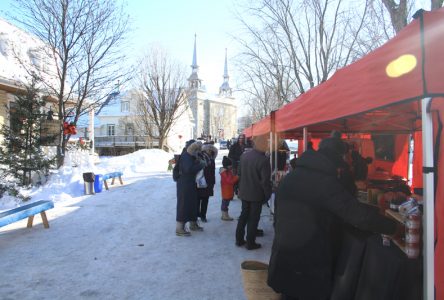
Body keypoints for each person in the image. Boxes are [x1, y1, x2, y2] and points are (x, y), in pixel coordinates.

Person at [267, 132, 400, 300]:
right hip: (307, 264)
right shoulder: (324, 183)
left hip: (284, 256)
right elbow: (357, 215)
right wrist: (393, 227)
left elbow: (277, 216)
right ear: (337, 158)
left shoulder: (291, 177)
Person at [235, 135, 272, 250]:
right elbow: (265, 181)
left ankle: (239, 240)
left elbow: (239, 174)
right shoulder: (263, 160)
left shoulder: (244, 156)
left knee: (244, 216)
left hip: (244, 192)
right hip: (256, 194)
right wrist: (268, 195)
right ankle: (250, 243)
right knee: (253, 218)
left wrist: (239, 188)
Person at [175, 140, 206, 236]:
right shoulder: (186, 156)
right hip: (184, 184)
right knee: (183, 205)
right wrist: (200, 164)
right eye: (196, 149)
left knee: (192, 204)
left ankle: (193, 224)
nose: (197, 151)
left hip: (190, 183)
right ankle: (179, 228)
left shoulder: (191, 155)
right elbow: (188, 169)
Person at [197, 143, 218, 222]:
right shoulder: (201, 157)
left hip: (209, 182)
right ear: (205, 150)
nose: (210, 151)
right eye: (209, 150)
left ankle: (203, 215)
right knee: (198, 199)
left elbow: (212, 171)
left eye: (211, 150)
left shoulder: (211, 158)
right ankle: (197, 214)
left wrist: (213, 182)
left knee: (205, 199)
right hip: (201, 181)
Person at [220, 156, 239, 221]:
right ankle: (224, 215)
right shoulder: (225, 172)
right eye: (230, 165)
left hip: (227, 190)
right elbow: (230, 181)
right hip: (226, 190)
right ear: (226, 165)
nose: (231, 166)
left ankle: (224, 215)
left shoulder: (227, 171)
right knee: (225, 203)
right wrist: (237, 177)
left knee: (225, 203)